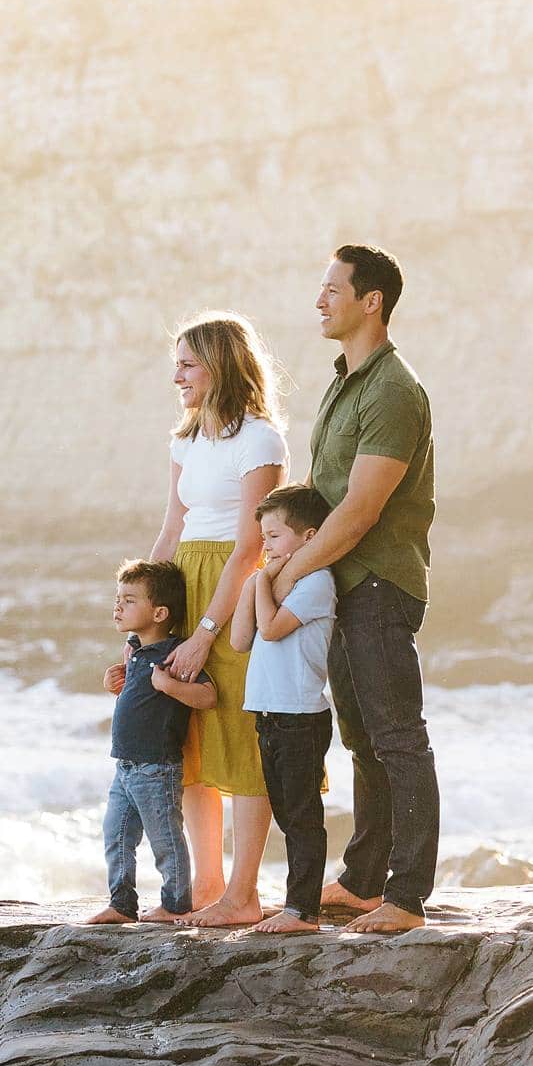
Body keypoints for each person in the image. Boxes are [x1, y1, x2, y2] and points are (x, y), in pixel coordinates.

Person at [266, 244, 438, 934]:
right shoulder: (346, 381)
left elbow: (360, 509)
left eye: (332, 288)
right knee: (362, 740)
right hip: (341, 585)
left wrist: (286, 571)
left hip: (379, 582)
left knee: (398, 740)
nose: (319, 300)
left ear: (372, 301)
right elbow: (324, 497)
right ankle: (365, 881)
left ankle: (406, 898)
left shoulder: (394, 390)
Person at [153, 313, 285, 925]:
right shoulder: (185, 439)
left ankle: (244, 892)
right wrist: (145, 616)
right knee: (189, 743)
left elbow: (250, 547)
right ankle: (206, 884)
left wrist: (208, 630)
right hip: (184, 582)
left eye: (187, 364)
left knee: (238, 730)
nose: (176, 375)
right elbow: (172, 527)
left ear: (220, 366)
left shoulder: (260, 439)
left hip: (233, 594)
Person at [229, 484, 336, 935]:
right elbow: (239, 640)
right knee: (286, 812)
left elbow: (270, 630)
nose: (266, 545)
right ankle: (296, 902)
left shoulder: (317, 582)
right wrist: (259, 580)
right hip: (269, 713)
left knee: (302, 815)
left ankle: (303, 911)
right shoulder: (273, 584)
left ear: (309, 537)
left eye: (273, 536)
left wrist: (260, 582)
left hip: (300, 716)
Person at [88, 559, 215, 926]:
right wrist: (117, 683)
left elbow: (207, 696)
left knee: (165, 840)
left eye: (129, 600)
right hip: (124, 766)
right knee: (116, 836)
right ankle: (121, 903)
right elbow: (137, 703)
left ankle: (176, 904)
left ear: (159, 612)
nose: (118, 606)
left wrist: (170, 686)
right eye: (117, 599)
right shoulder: (137, 653)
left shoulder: (173, 655)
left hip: (156, 768)